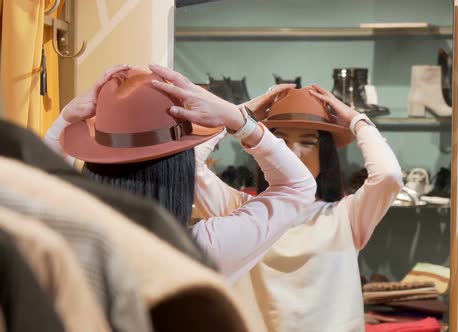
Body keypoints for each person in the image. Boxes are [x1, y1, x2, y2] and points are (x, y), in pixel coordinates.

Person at [43, 64, 316, 282]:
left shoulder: (63, 237)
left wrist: (67, 116)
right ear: (180, 170)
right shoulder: (201, 249)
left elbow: (29, 181)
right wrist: (237, 119)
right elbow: (297, 187)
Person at [193, 85, 404, 332]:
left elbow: (388, 175)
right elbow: (190, 166)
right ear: (262, 148)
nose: (292, 152)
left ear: (324, 154)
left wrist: (357, 120)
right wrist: (238, 117)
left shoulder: (345, 216)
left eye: (308, 142)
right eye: (280, 141)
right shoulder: (241, 211)